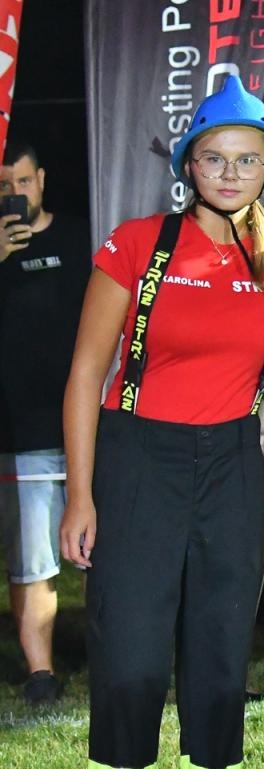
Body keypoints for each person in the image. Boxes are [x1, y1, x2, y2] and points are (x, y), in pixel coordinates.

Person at [60, 77, 264, 769]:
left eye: (249, 158)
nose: (231, 172)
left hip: (229, 468)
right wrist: (80, 495)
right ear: (189, 164)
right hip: (137, 465)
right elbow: (86, 375)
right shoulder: (138, 245)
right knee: (127, 674)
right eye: (215, 157)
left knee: (215, 675)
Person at [0, 140, 91, 705]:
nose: (14, 195)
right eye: (4, 187)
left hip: (93, 424)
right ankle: (41, 674)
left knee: (109, 549)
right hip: (21, 428)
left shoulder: (82, 235)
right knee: (33, 556)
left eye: (23, 183)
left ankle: (120, 655)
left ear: (43, 181)